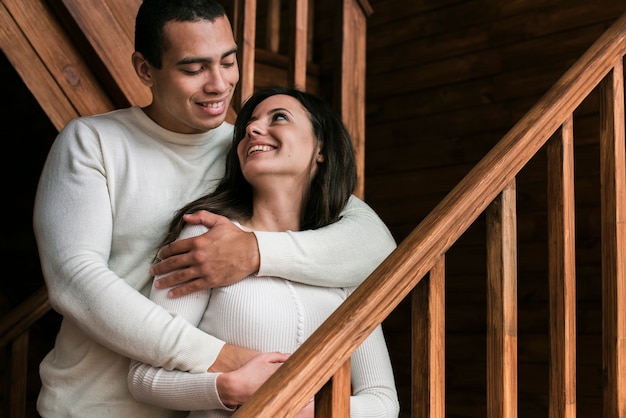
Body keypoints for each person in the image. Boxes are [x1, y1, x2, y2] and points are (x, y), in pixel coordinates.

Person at [32, 0, 397, 417]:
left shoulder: (250, 153)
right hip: (95, 406)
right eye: (194, 69)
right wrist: (220, 358)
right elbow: (74, 278)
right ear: (145, 69)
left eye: (228, 62)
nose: (220, 84)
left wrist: (255, 252)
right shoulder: (93, 142)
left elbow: (373, 244)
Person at [128, 86, 400, 417]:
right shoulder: (206, 237)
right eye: (249, 125)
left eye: (279, 118)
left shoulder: (346, 258)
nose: (252, 129)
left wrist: (306, 409)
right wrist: (227, 389)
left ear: (321, 148)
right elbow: (143, 377)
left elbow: (382, 400)